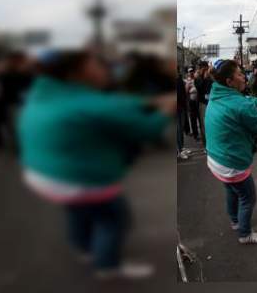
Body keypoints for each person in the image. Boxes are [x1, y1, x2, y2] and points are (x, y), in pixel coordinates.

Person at [18, 50, 173, 279]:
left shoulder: (46, 92)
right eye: (95, 65)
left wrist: (150, 100)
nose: (104, 69)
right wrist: (168, 109)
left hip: (41, 173)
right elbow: (147, 129)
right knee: (114, 219)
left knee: (77, 209)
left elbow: (112, 104)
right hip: (78, 177)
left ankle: (83, 248)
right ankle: (107, 265)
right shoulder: (90, 104)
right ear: (75, 74)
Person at [205, 59, 257, 244]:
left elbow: (247, 100)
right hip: (231, 162)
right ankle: (245, 234)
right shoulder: (237, 103)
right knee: (247, 198)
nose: (245, 77)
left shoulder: (217, 93)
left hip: (216, 159)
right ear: (229, 82)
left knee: (232, 191)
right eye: (240, 74)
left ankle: (235, 221)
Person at [194, 62, 212, 147]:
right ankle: (206, 144)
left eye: (206, 68)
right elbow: (200, 88)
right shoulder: (197, 78)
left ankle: (211, 142)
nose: (205, 70)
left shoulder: (209, 77)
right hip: (202, 103)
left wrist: (209, 77)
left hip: (210, 102)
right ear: (201, 69)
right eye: (204, 68)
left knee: (211, 123)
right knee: (204, 124)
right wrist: (204, 78)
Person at [185, 68, 200, 140]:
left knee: (199, 117)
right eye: (189, 72)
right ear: (188, 73)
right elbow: (186, 92)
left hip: (198, 101)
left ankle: (201, 133)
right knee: (193, 118)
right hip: (191, 101)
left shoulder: (197, 79)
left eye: (192, 72)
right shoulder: (187, 81)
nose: (191, 73)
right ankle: (195, 134)